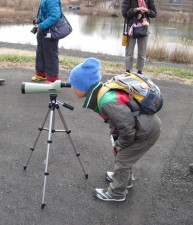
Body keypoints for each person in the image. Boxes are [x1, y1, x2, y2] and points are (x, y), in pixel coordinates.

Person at [69, 57, 161, 202]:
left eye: (74, 84)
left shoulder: (106, 101)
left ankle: (117, 193)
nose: (72, 87)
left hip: (146, 131)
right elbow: (116, 122)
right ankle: (125, 181)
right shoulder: (102, 91)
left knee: (123, 159)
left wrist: (119, 145)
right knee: (124, 156)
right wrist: (116, 140)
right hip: (142, 126)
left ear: (83, 86)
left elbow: (128, 131)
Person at [121, 0, 157, 75]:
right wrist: (136, 9)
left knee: (142, 52)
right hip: (131, 27)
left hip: (144, 28)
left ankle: (139, 72)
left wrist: (147, 10)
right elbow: (125, 14)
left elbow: (154, 14)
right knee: (129, 51)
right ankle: (127, 71)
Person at [31, 0, 61, 83]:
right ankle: (41, 74)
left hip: (50, 31)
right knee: (40, 52)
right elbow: (44, 14)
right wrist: (37, 20)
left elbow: (55, 16)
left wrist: (41, 25)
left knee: (50, 55)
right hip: (42, 31)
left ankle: (52, 80)